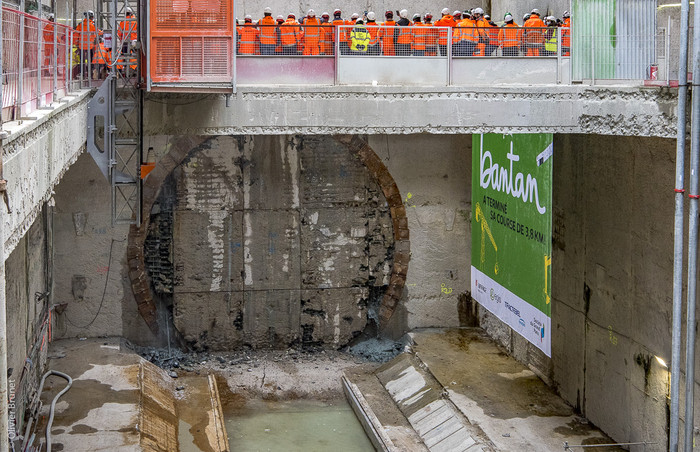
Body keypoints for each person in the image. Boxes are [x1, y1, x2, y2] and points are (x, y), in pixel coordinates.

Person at [75, 10, 98, 79]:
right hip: (90, 46)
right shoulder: (92, 25)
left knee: (82, 60)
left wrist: (76, 44)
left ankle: (82, 74)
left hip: (81, 46)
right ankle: (90, 74)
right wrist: (102, 32)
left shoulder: (80, 24)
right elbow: (97, 33)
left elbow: (76, 35)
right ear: (90, 17)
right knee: (90, 60)